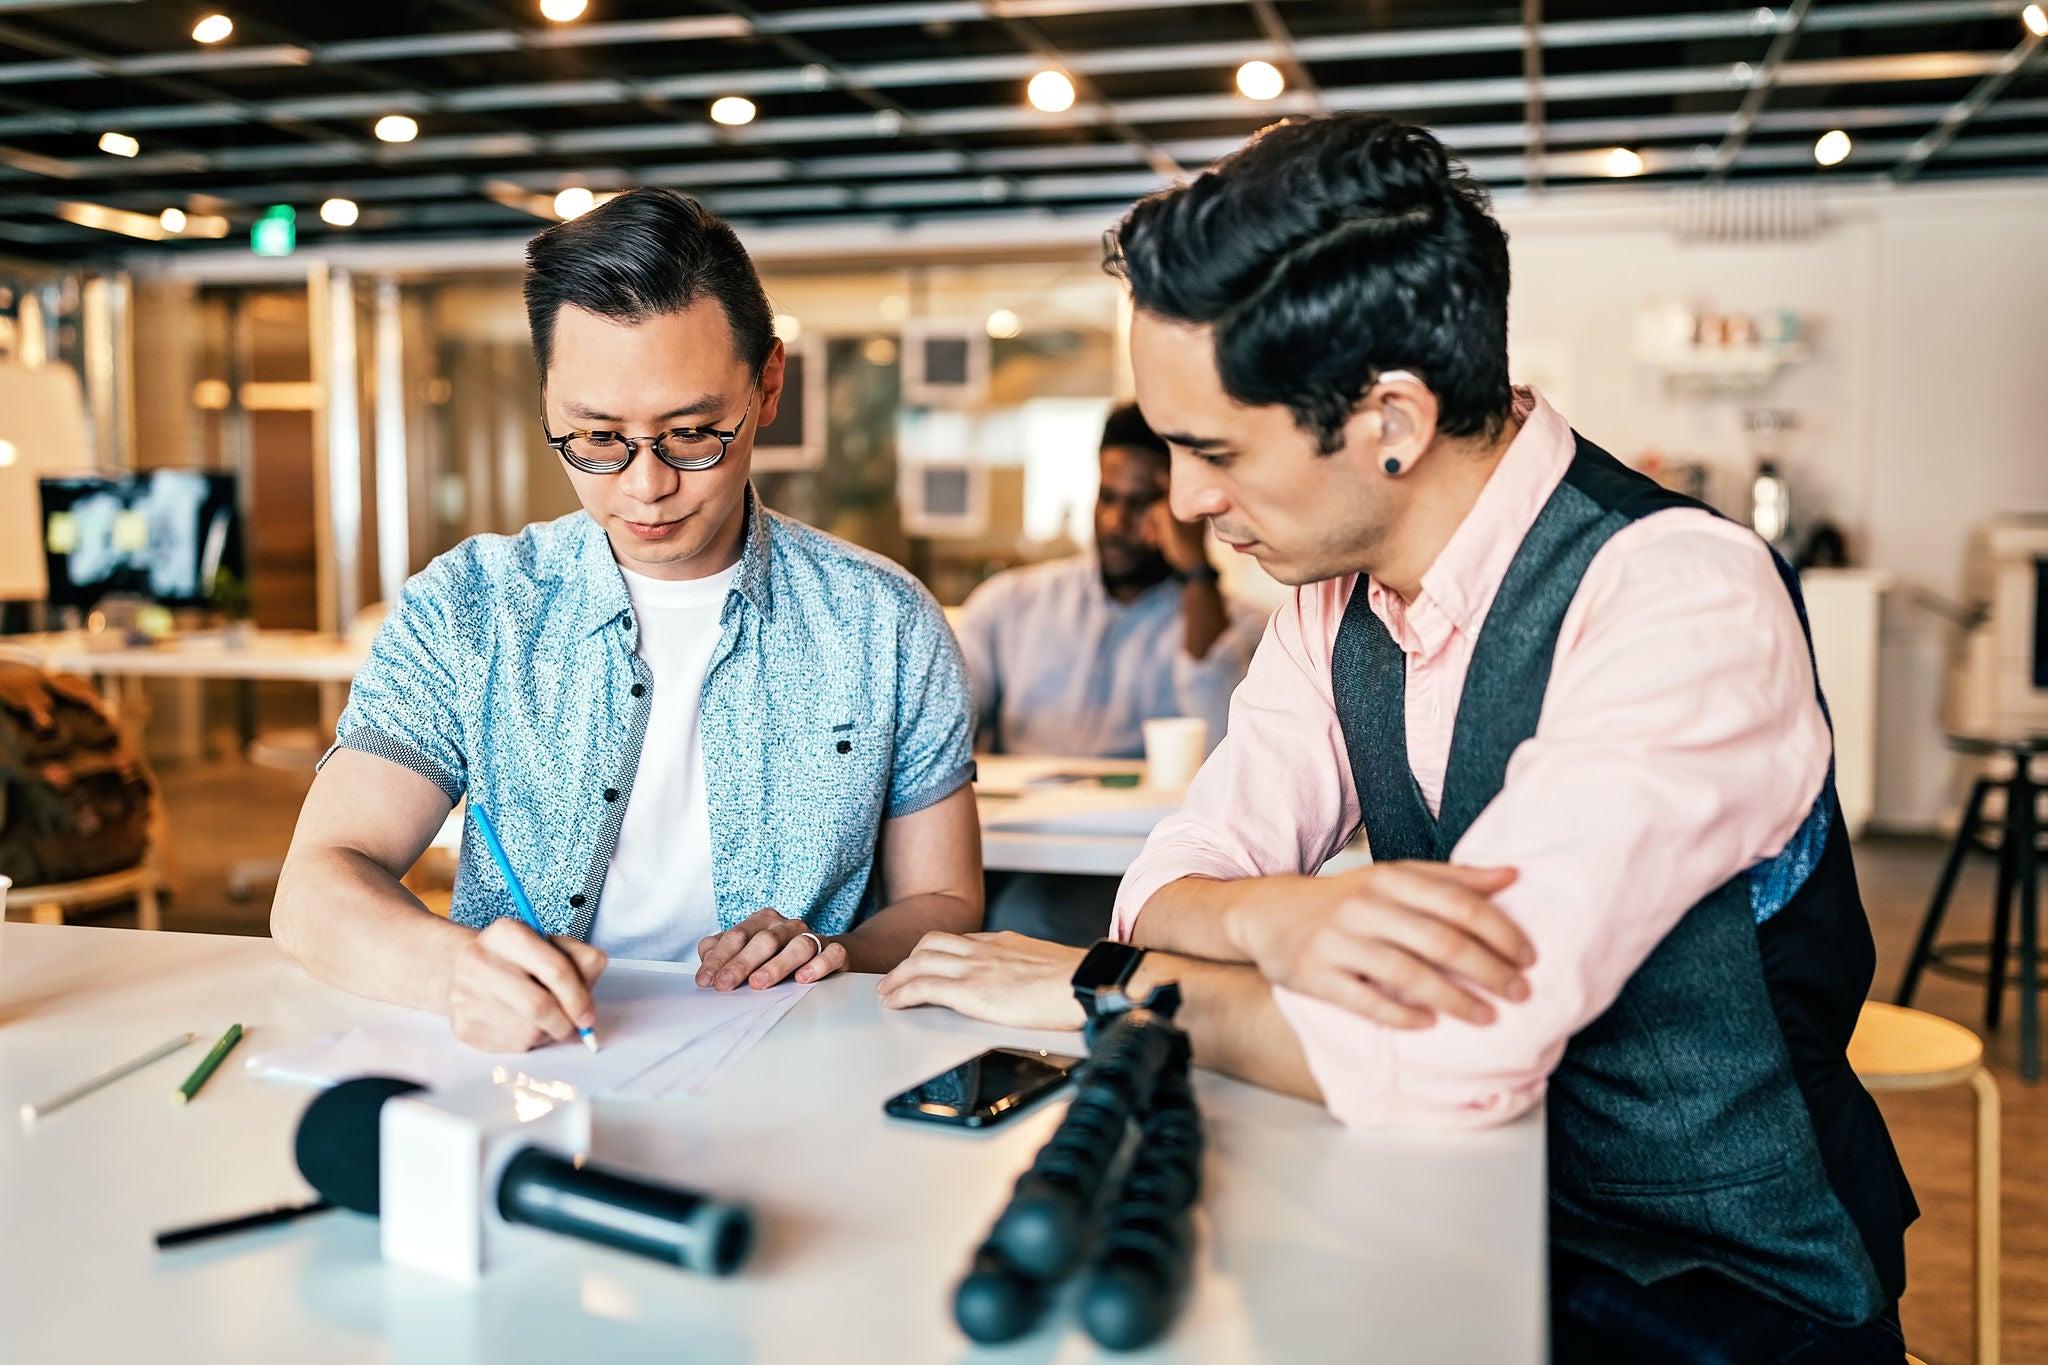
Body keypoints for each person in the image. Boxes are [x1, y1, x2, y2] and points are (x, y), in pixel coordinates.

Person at [878, 114, 1913, 1363]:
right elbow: (1164, 879)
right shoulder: (1330, 602)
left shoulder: (1679, 594)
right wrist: (1275, 920)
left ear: (1391, 420)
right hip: (1458, 1218)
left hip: (1723, 1295)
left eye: (1212, 450)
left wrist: (1101, 987)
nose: (1189, 501)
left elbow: (1434, 1053)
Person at [274, 188, 981, 1054]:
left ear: (768, 384)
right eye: (596, 437)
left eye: (691, 433)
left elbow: (946, 901)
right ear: (546, 398)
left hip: (796, 1062)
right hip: (532, 1066)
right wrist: (453, 969)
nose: (645, 487)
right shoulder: (470, 609)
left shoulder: (886, 622)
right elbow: (314, 887)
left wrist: (831, 950)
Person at [953, 402, 1265, 759]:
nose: (1115, 523)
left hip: (1154, 817)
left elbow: (1224, 749)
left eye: (1141, 502)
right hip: (1024, 815)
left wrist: (1196, 569)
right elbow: (944, 724)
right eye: (1108, 497)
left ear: (1185, 509)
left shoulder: (1248, 630)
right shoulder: (1008, 604)